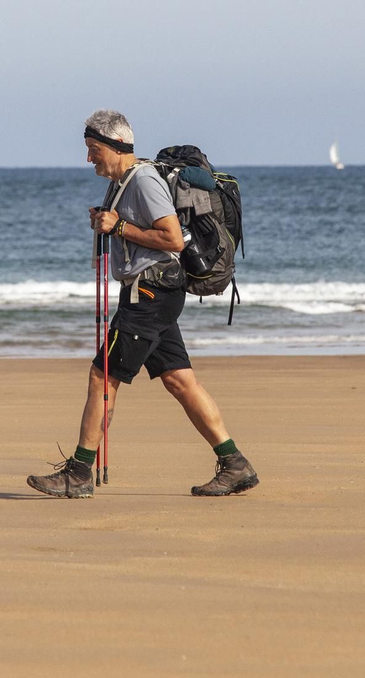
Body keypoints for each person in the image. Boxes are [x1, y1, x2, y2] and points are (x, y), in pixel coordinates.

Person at [26, 109, 260, 499]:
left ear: (116, 147)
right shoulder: (123, 182)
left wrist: (118, 227)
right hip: (155, 293)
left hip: (149, 295)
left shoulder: (144, 180)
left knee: (103, 376)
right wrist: (109, 222)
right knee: (180, 381)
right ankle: (235, 465)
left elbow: (172, 239)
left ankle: (79, 473)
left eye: (93, 149)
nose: (89, 159)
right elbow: (135, 230)